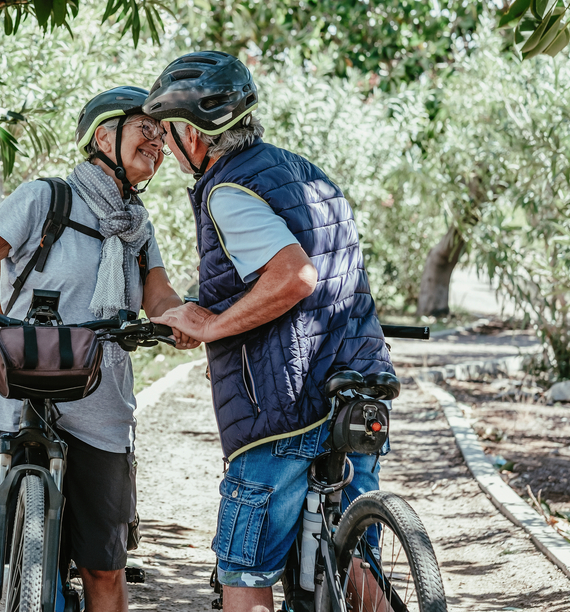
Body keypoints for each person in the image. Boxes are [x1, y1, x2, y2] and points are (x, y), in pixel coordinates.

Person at [0, 85, 198, 612]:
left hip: (99, 401)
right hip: (9, 392)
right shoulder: (46, 199)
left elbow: (156, 292)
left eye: (164, 135)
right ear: (104, 134)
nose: (159, 142)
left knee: (103, 566)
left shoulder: (138, 227)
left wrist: (177, 316)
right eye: (148, 128)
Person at [143, 51, 395, 612]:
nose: (165, 138)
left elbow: (295, 277)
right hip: (359, 387)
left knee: (246, 572)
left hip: (282, 407)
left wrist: (212, 327)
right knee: (351, 555)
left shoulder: (229, 190)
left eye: (168, 127)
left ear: (193, 132)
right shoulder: (305, 172)